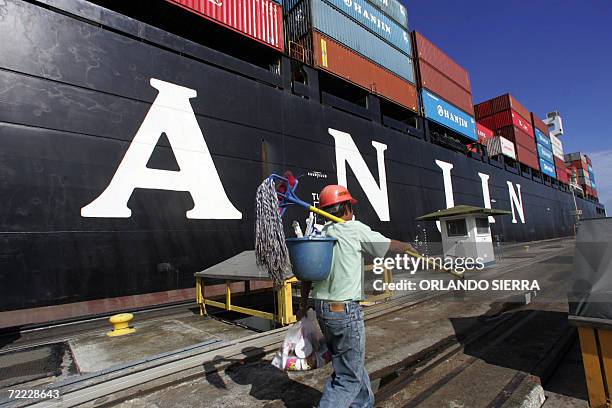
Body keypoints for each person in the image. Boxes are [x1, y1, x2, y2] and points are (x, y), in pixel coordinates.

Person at [299, 184, 416, 408]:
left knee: (351, 363)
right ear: (345, 208)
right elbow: (388, 245)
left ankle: (363, 405)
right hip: (345, 311)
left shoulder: (319, 235)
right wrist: (408, 247)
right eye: (350, 206)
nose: (353, 211)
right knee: (348, 378)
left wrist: (302, 306)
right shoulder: (356, 229)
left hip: (322, 308)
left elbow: (306, 274)